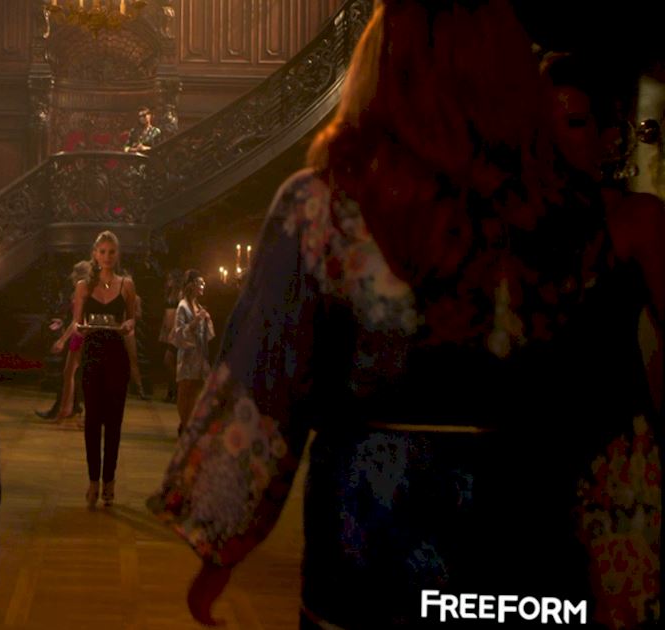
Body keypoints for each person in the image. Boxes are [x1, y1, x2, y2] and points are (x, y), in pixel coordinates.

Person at [148, 0, 660, 627]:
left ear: (383, 67)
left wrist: (220, 548)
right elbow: (604, 397)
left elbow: (265, 384)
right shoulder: (564, 210)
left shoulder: (324, 208)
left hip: (371, 546)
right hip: (530, 552)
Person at [542, 52, 664, 628]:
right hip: (535, 458)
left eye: (572, 123)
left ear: (608, 135)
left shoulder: (638, 220)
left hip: (617, 462)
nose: (553, 143)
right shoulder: (512, 225)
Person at [57, 231, 139, 507]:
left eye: (111, 252)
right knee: (92, 422)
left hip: (116, 357)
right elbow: (77, 323)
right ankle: (93, 482)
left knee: (114, 423)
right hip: (92, 356)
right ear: (95, 254)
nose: (107, 256)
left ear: (117, 255)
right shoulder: (83, 286)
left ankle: (109, 482)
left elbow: (131, 320)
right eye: (102, 251)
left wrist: (128, 325)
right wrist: (79, 329)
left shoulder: (126, 285)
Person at [37, 260, 90, 423]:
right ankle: (71, 407)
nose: (71, 276)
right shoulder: (82, 291)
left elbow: (77, 320)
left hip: (78, 336)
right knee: (72, 374)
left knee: (68, 375)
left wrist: (61, 340)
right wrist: (62, 322)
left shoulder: (83, 291)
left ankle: (62, 410)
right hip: (79, 335)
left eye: (74, 273)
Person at [171, 269, 213, 434]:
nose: (203, 286)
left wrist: (205, 319)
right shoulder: (183, 306)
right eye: (200, 283)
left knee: (196, 389)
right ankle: (184, 424)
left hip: (199, 355)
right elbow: (179, 331)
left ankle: (190, 423)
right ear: (192, 285)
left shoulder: (198, 305)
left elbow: (207, 334)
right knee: (185, 389)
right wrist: (196, 321)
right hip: (188, 354)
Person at [158, 269, 183, 403]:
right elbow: (166, 312)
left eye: (170, 279)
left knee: (169, 361)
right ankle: (171, 391)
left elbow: (179, 313)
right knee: (169, 362)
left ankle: (176, 390)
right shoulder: (169, 294)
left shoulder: (180, 294)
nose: (168, 282)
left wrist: (174, 329)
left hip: (175, 331)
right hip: (168, 330)